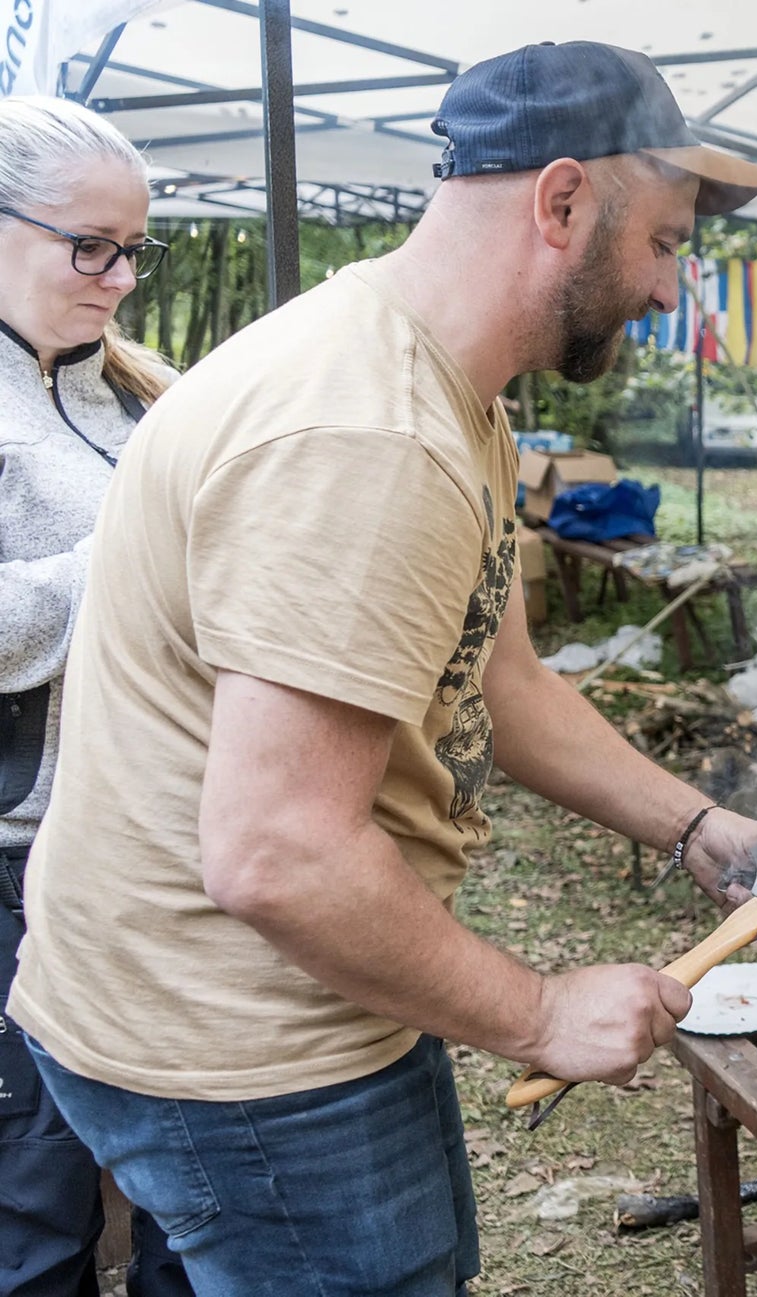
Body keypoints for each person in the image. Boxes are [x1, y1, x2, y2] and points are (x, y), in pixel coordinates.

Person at [9, 43, 757, 1296]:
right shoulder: (367, 432)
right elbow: (279, 853)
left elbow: (500, 680)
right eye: (664, 241)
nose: (665, 286)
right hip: (244, 1040)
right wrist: (541, 1012)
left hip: (298, 981)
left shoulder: (446, 388)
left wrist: (697, 825)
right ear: (562, 201)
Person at [0, 96, 195, 1297]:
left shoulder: (143, 393)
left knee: (188, 1195)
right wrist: (126, 555)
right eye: (90, 247)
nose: (120, 279)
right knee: (33, 1210)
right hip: (22, 874)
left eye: (133, 249)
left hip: (166, 861)